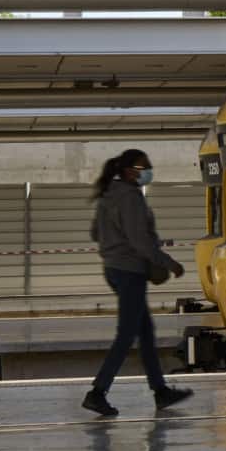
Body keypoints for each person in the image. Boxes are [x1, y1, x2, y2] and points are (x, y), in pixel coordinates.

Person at [83, 149, 193, 417]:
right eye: (145, 167)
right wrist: (169, 263)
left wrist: (113, 243)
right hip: (129, 271)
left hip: (114, 269)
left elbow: (95, 233)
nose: (148, 172)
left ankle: (161, 392)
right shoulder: (130, 197)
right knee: (126, 335)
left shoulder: (108, 194)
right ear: (130, 171)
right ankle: (97, 393)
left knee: (145, 333)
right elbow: (140, 241)